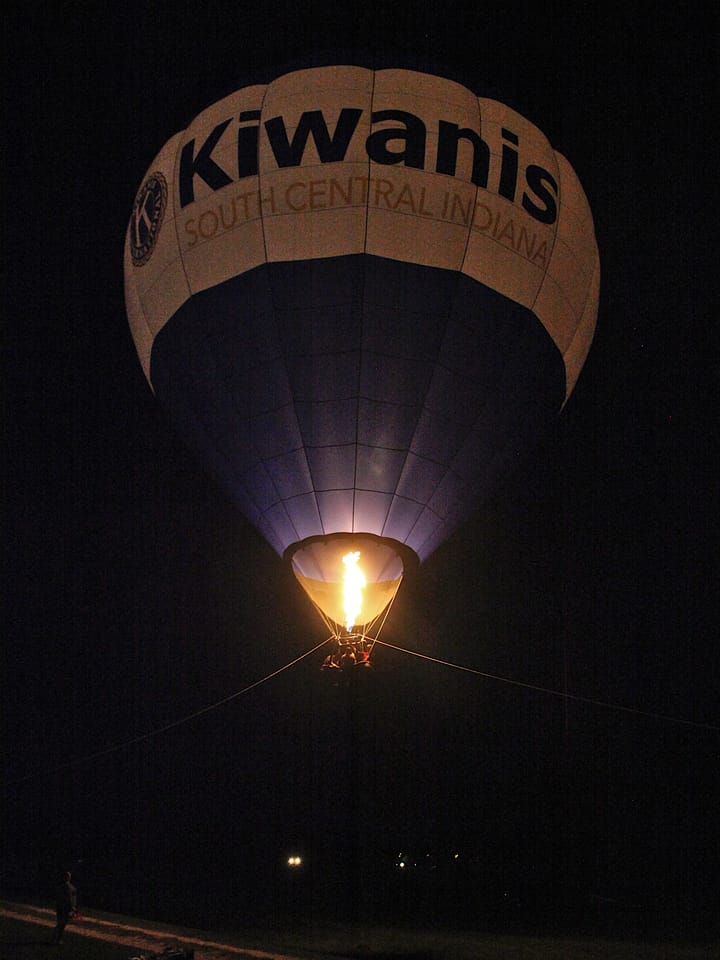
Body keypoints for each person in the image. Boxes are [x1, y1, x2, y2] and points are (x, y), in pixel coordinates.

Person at [52, 870, 77, 944]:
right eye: (68, 876)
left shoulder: (63, 886)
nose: (69, 877)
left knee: (61, 923)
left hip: (60, 906)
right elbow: (69, 898)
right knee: (62, 924)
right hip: (64, 907)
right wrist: (72, 907)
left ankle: (56, 938)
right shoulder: (67, 887)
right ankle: (56, 938)